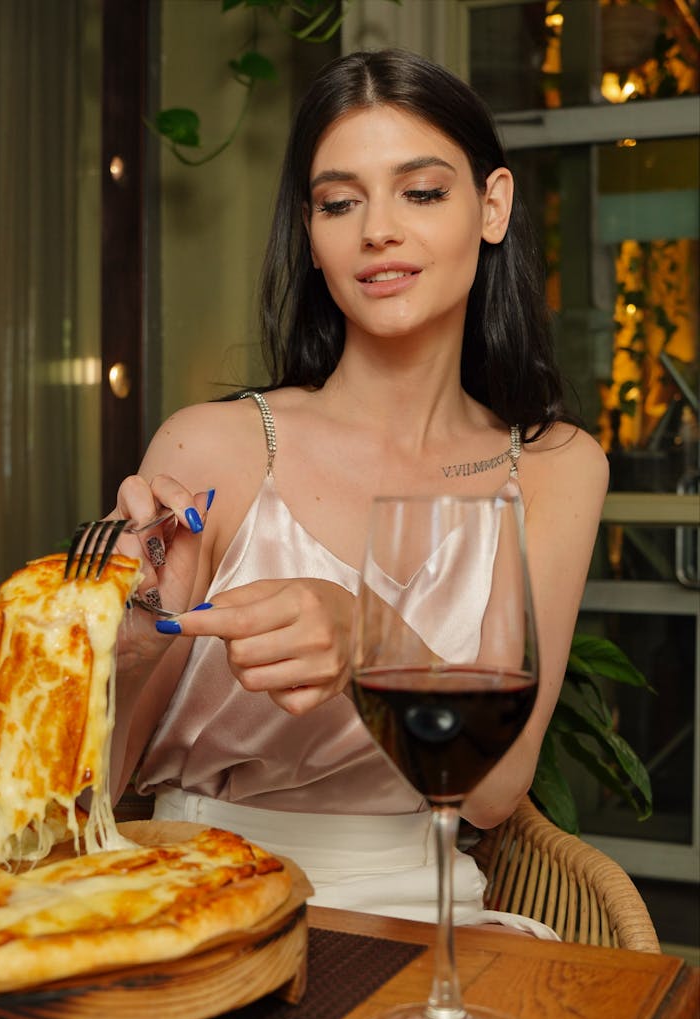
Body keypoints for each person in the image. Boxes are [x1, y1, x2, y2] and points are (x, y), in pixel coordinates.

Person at [107, 49, 609, 930]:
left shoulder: (556, 465)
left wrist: (366, 635)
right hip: (190, 899)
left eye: (420, 192)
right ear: (311, 233)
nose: (378, 230)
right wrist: (131, 640)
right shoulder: (216, 446)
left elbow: (493, 792)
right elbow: (100, 788)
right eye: (340, 203)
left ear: (492, 207)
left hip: (425, 912)